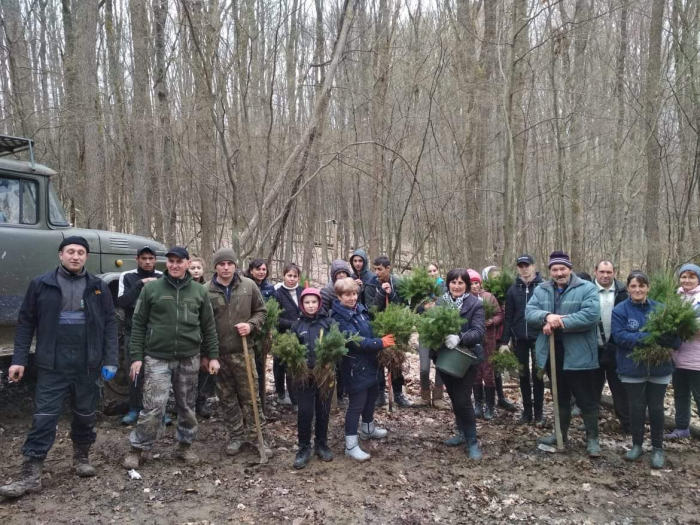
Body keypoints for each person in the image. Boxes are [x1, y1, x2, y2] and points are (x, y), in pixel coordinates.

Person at [0, 237, 118, 498]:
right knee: (44, 417)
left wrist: (111, 359)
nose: (75, 256)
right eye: (71, 252)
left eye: (81, 253)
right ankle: (31, 474)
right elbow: (26, 323)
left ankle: (81, 458)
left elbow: (110, 324)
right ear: (60, 255)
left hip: (87, 363)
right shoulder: (42, 284)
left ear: (86, 257)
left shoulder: (98, 286)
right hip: (52, 363)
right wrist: (18, 359)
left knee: (86, 413)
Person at [123, 246, 220, 469]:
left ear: (188, 264)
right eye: (171, 261)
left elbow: (208, 326)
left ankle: (185, 446)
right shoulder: (152, 289)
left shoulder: (199, 291)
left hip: (189, 357)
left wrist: (212, 356)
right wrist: (137, 356)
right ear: (166, 264)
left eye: (179, 261)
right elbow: (138, 325)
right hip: (157, 357)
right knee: (154, 405)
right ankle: (137, 448)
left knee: (186, 405)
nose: (175, 265)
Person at [526, 250, 602, 458]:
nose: (559, 273)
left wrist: (560, 322)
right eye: (555, 269)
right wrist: (547, 315)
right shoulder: (541, 290)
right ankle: (561, 434)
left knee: (586, 398)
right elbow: (529, 313)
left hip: (579, 353)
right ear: (550, 271)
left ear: (570, 269)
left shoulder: (586, 288)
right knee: (560, 397)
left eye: (562, 269)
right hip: (552, 352)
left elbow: (590, 315)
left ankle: (593, 439)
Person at [204, 248, 270, 457]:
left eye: (229, 264)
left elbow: (261, 312)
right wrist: (207, 355)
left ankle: (257, 437)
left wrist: (251, 325)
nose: (225, 268)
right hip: (218, 354)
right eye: (221, 264)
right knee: (226, 397)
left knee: (251, 396)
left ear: (235, 266)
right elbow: (201, 324)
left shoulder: (248, 286)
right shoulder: (205, 290)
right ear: (215, 266)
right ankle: (236, 436)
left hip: (243, 352)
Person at [611, 271, 680, 468]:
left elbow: (675, 337)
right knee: (637, 407)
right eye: (633, 286)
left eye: (641, 286)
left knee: (657, 408)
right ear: (628, 288)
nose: (637, 290)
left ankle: (657, 448)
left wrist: (671, 341)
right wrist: (650, 337)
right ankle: (637, 444)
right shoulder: (620, 310)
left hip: (660, 367)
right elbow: (620, 337)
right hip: (632, 367)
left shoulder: (661, 309)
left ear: (648, 287)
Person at [330, 278, 394, 461]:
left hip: (371, 363)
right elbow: (354, 340)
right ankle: (350, 445)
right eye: (347, 295)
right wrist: (379, 343)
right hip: (354, 366)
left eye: (354, 294)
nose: (352, 298)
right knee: (357, 404)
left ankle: (367, 429)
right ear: (339, 296)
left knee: (372, 396)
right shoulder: (337, 317)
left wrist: (381, 336)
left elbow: (369, 329)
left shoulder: (360, 309)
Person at [435, 268, 486, 459]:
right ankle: (461, 433)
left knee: (463, 399)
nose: (456, 286)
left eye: (461, 283)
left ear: (466, 285)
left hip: (467, 359)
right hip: (445, 358)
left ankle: (472, 441)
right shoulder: (441, 302)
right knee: (454, 398)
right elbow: (433, 325)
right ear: (448, 283)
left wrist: (460, 337)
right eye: (453, 282)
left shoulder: (475, 304)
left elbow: (478, 331)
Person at [117, 246, 163, 426]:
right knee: (134, 371)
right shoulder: (127, 277)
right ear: (137, 259)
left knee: (158, 372)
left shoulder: (162, 277)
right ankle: (135, 408)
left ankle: (160, 409)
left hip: (157, 332)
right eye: (143, 258)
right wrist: (140, 284)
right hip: (133, 331)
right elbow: (122, 302)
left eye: (151, 258)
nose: (147, 262)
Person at [499, 255, 545, 425]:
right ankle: (527, 411)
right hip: (519, 338)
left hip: (539, 336)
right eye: (521, 266)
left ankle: (539, 412)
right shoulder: (513, 290)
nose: (524, 269)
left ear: (533, 266)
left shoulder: (543, 287)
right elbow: (508, 317)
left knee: (538, 374)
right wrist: (504, 342)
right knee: (523, 374)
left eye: (527, 265)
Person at [290, 288, 334, 468]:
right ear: (302, 304)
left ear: (319, 303)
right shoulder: (297, 326)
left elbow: (335, 345)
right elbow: (292, 350)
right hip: (304, 376)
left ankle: (321, 443)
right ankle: (304, 446)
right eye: (307, 302)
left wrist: (329, 361)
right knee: (305, 412)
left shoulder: (328, 323)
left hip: (324, 375)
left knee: (323, 410)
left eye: (314, 302)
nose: (310, 305)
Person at [592, 260, 630, 433]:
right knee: (591, 388)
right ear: (595, 272)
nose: (605, 275)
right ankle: (591, 424)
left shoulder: (624, 291)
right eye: (602, 272)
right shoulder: (586, 291)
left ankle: (627, 424)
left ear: (614, 272)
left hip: (617, 349)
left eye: (609, 272)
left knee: (620, 389)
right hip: (592, 348)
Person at [371, 256, 412, 407]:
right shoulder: (371, 283)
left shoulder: (398, 283)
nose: (377, 272)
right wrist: (381, 293)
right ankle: (380, 393)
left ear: (388, 268)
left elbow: (403, 304)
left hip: (396, 327)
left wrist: (392, 294)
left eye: (380, 269)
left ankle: (398, 393)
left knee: (395, 361)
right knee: (378, 361)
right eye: (375, 269)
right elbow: (372, 308)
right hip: (378, 327)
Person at [666, 264, 700, 440]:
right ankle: (682, 427)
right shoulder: (676, 296)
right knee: (680, 394)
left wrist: (690, 326)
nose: (687, 280)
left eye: (691, 276)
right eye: (684, 276)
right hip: (677, 356)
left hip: (697, 359)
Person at [468, 269, 503, 420]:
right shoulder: (466, 299)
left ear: (480, 283)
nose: (474, 286)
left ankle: (490, 406)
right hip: (473, 340)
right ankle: (478, 405)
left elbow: (500, 314)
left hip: (489, 339)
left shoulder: (488, 297)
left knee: (488, 372)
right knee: (476, 372)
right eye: (471, 284)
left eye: (476, 283)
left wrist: (492, 321)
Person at [416, 263, 448, 409]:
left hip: (440, 332)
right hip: (424, 331)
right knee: (424, 368)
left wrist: (437, 306)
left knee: (440, 365)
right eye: (429, 271)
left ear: (438, 272)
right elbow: (414, 308)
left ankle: (438, 398)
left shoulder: (445, 288)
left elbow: (449, 306)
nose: (432, 273)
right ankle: (424, 397)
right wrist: (424, 307)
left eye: (434, 270)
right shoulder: (420, 289)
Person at [245, 258, 276, 406]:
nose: (261, 272)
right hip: (250, 332)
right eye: (258, 269)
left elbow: (275, 309)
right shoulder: (245, 286)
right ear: (251, 270)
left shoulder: (270, 288)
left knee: (261, 368)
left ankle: (262, 403)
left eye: (264, 269)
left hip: (264, 334)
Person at [274, 263, 302, 408]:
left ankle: (296, 400)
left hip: (300, 336)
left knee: (294, 368)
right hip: (282, 336)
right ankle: (280, 394)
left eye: (295, 276)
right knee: (280, 366)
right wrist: (293, 324)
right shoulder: (277, 293)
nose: (292, 279)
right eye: (289, 275)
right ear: (283, 276)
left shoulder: (302, 291)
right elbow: (275, 317)